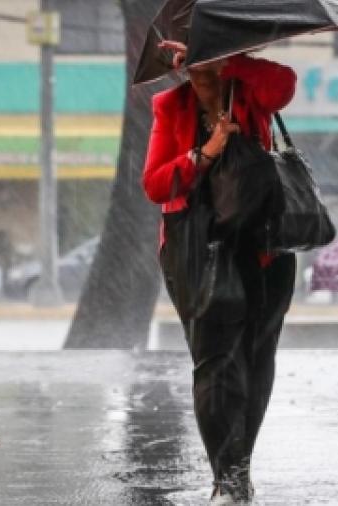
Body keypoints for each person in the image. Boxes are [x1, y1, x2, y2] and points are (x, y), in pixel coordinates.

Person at [141, 41, 297, 505]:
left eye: (205, 60)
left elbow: (285, 84)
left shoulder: (249, 91)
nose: (200, 73)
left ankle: (239, 469)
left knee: (256, 360)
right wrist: (205, 153)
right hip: (196, 249)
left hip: (263, 247)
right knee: (214, 364)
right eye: (192, 65)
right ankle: (226, 478)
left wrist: (230, 58)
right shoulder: (170, 106)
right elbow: (154, 183)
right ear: (180, 67)